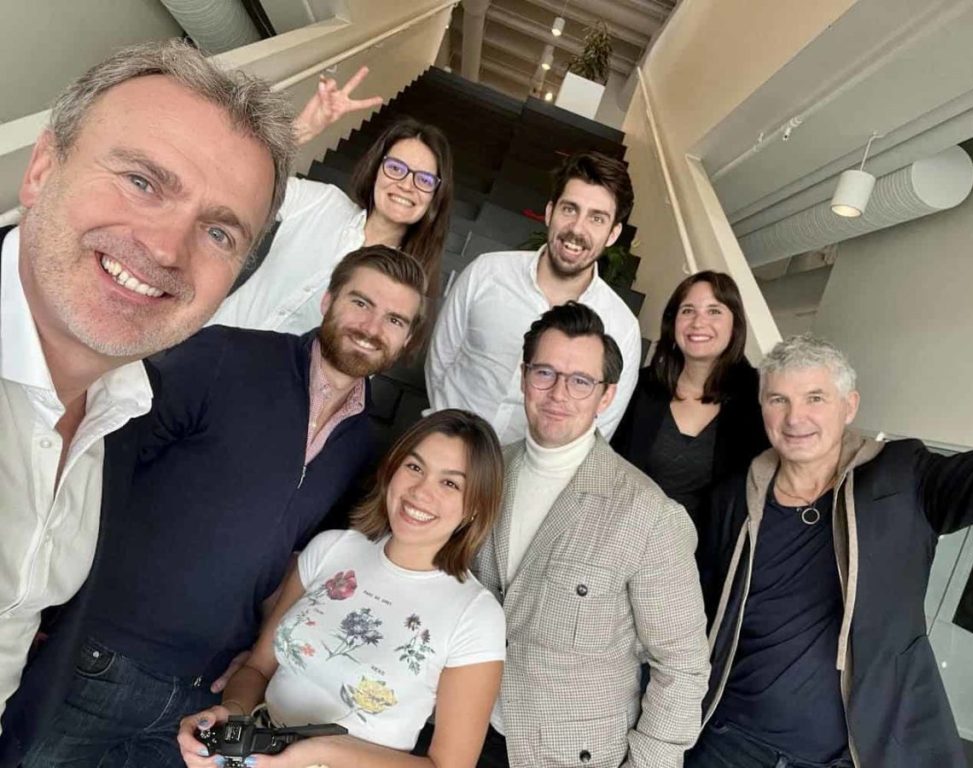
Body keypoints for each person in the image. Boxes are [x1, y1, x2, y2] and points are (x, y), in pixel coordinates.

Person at [15, 245, 427, 767]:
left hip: (202, 696)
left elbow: (300, 562)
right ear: (327, 301)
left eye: (394, 319)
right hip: (98, 657)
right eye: (361, 303)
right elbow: (99, 464)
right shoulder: (226, 356)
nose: (371, 327)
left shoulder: (362, 445)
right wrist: (50, 600)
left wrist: (256, 662)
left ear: (406, 341)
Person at [0, 39, 294, 732]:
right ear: (42, 169)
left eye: (219, 233)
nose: (166, 248)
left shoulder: (126, 410)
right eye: (142, 182)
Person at [692, 334, 973, 768]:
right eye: (778, 400)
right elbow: (694, 616)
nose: (795, 418)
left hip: (849, 755)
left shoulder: (904, 478)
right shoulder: (733, 500)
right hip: (729, 742)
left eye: (815, 398)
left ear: (849, 406)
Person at [176, 409, 506, 768]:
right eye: (414, 467)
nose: (421, 491)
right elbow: (257, 669)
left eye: (450, 483)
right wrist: (230, 713)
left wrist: (319, 751)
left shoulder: (476, 613)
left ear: (475, 507)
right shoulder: (332, 549)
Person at [472, 302, 709, 767]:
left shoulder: (650, 515)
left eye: (581, 381)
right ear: (524, 378)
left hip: (564, 755)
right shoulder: (485, 469)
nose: (558, 393)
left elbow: (682, 666)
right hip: (460, 725)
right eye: (545, 373)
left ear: (606, 396)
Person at [211, 70, 454, 335]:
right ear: (376, 170)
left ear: (435, 196)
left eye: (424, 180)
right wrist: (299, 132)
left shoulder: (402, 285)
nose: (406, 184)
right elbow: (239, 185)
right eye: (396, 168)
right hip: (207, 339)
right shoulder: (324, 202)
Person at [426, 150, 642, 444]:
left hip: (529, 469)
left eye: (597, 218)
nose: (577, 228)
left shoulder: (622, 328)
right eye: (570, 209)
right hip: (445, 444)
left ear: (613, 234)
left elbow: (598, 427)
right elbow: (440, 361)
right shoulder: (486, 272)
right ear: (550, 212)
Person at [612, 271, 768, 527]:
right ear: (673, 322)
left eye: (714, 311)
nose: (698, 322)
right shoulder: (640, 387)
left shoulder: (757, 400)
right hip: (622, 531)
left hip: (701, 549)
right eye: (687, 311)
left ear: (735, 325)